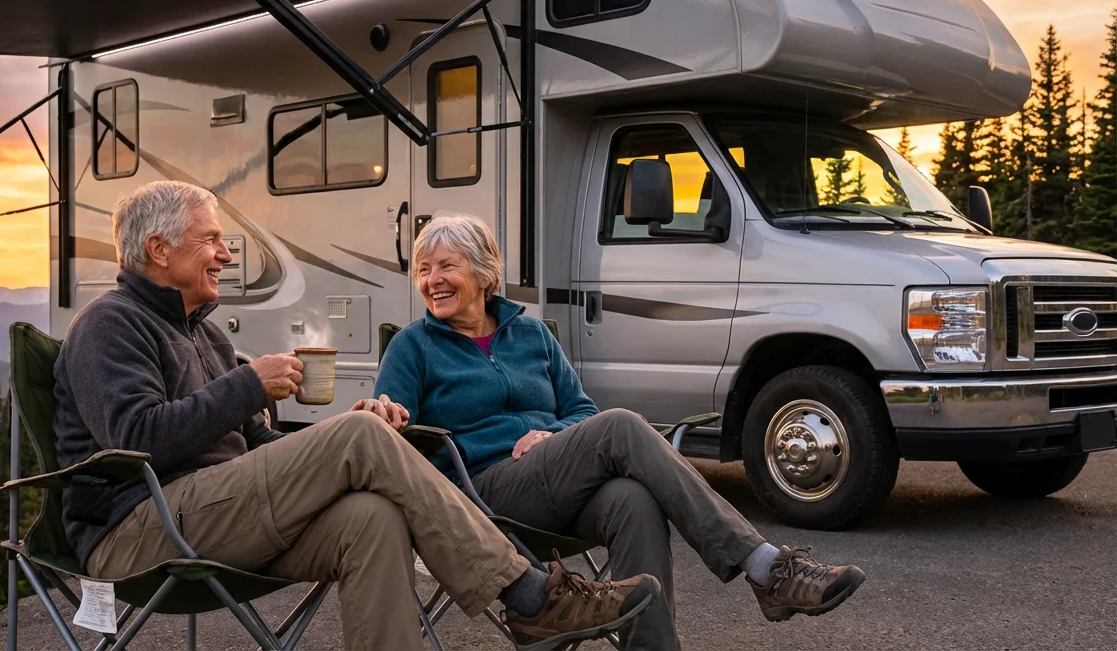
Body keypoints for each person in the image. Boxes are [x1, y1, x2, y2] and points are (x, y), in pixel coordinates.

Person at [53, 181, 663, 651]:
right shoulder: (109, 325)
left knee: (369, 516)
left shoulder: (206, 338)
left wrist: (341, 438)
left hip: (216, 516)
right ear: (158, 249)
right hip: (139, 531)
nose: (225, 252)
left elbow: (258, 446)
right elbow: (135, 438)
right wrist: (249, 385)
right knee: (358, 440)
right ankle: (529, 594)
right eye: (210, 239)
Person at [370, 213, 867, 650]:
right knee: (621, 426)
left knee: (633, 498)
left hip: (553, 480)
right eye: (424, 270)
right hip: (484, 494)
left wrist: (553, 436)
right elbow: (393, 424)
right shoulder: (413, 346)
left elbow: (580, 410)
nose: (432, 280)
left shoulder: (531, 334)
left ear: (482, 272)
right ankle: (765, 567)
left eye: (446, 266)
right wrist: (385, 412)